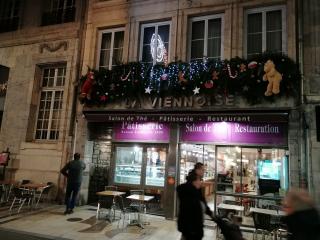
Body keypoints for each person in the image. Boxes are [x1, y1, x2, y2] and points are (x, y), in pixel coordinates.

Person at [177, 171, 208, 240]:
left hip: (191, 231)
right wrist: (194, 231)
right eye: (199, 180)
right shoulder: (190, 195)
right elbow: (188, 215)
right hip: (191, 231)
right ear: (194, 181)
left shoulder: (195, 192)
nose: (201, 182)